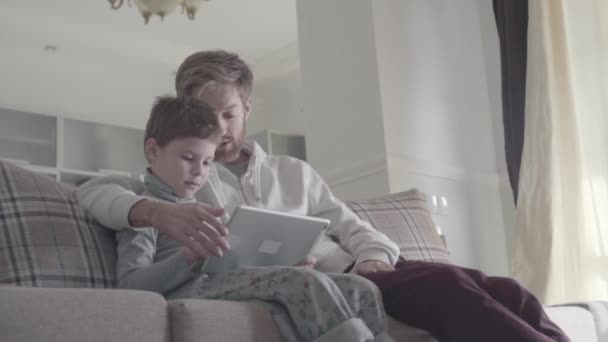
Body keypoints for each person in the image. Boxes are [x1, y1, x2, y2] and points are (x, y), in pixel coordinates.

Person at [77, 50, 570, 342]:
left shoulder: (293, 171)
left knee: (506, 289)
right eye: (206, 118)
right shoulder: (181, 176)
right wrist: (152, 211)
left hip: (363, 271)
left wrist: (375, 258)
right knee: (454, 291)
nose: (219, 130)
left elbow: (353, 226)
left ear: (246, 107)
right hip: (297, 280)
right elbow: (96, 192)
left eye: (227, 114)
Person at [113, 94, 394, 342]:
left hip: (226, 280)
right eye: (188, 157)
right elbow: (131, 284)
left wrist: (281, 264)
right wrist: (188, 258)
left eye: (208, 161)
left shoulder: (203, 203)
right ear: (153, 150)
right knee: (304, 283)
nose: (199, 171)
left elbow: (232, 265)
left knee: (360, 287)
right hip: (187, 289)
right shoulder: (142, 210)